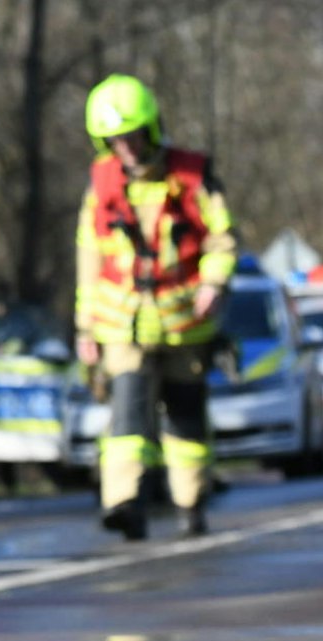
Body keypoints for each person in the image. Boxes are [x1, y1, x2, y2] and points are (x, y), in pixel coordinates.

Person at [75, 73, 236, 540]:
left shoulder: (192, 176)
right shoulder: (100, 185)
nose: (123, 147)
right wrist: (85, 329)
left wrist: (214, 281)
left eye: (130, 136)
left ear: (150, 128)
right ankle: (125, 503)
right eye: (113, 140)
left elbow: (223, 240)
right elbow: (89, 259)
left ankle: (191, 503)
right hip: (121, 324)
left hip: (186, 322)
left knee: (185, 417)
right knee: (127, 415)